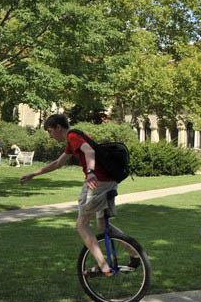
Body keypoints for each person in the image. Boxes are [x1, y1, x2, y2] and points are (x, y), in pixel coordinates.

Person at [20, 114, 137, 276]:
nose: (50, 136)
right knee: (102, 225)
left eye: (50, 131)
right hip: (110, 182)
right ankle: (135, 253)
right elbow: (58, 163)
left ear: (58, 128)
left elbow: (89, 151)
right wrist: (34, 174)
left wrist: (90, 172)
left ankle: (104, 266)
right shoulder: (75, 137)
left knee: (81, 225)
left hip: (97, 183)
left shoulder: (73, 136)